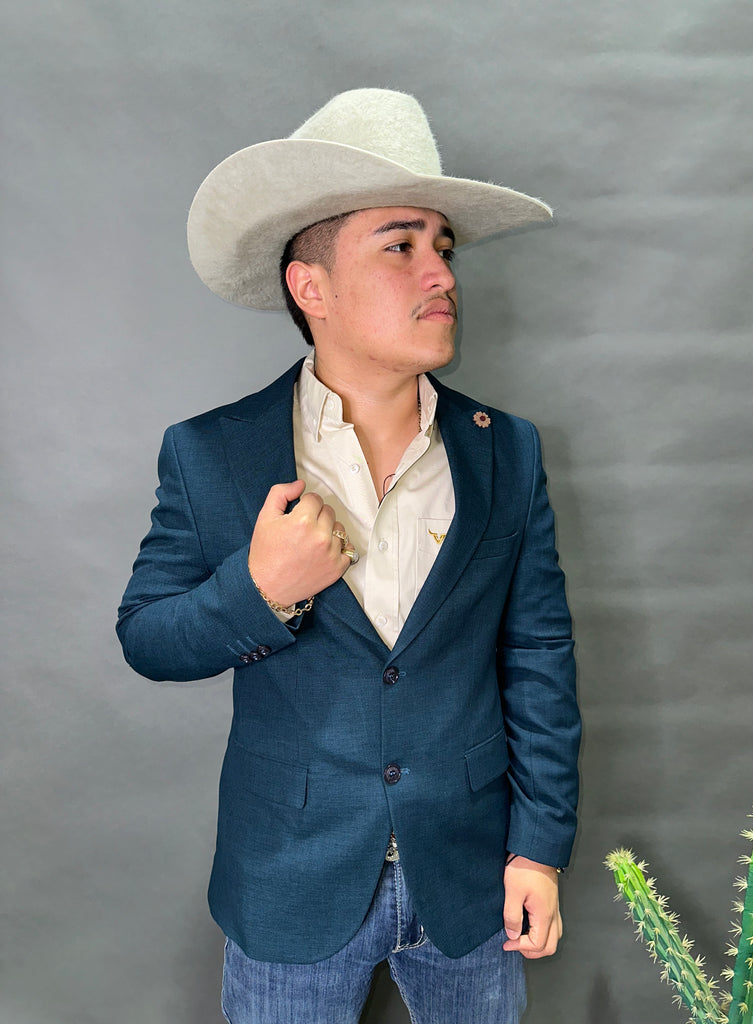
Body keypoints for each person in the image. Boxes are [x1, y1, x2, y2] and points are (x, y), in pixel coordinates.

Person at [117, 88, 581, 1024]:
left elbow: (537, 656)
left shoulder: (506, 450)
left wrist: (539, 847)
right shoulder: (211, 454)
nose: (440, 274)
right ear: (311, 288)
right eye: (400, 246)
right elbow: (148, 638)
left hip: (471, 879)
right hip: (290, 878)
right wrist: (260, 590)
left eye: (444, 248)